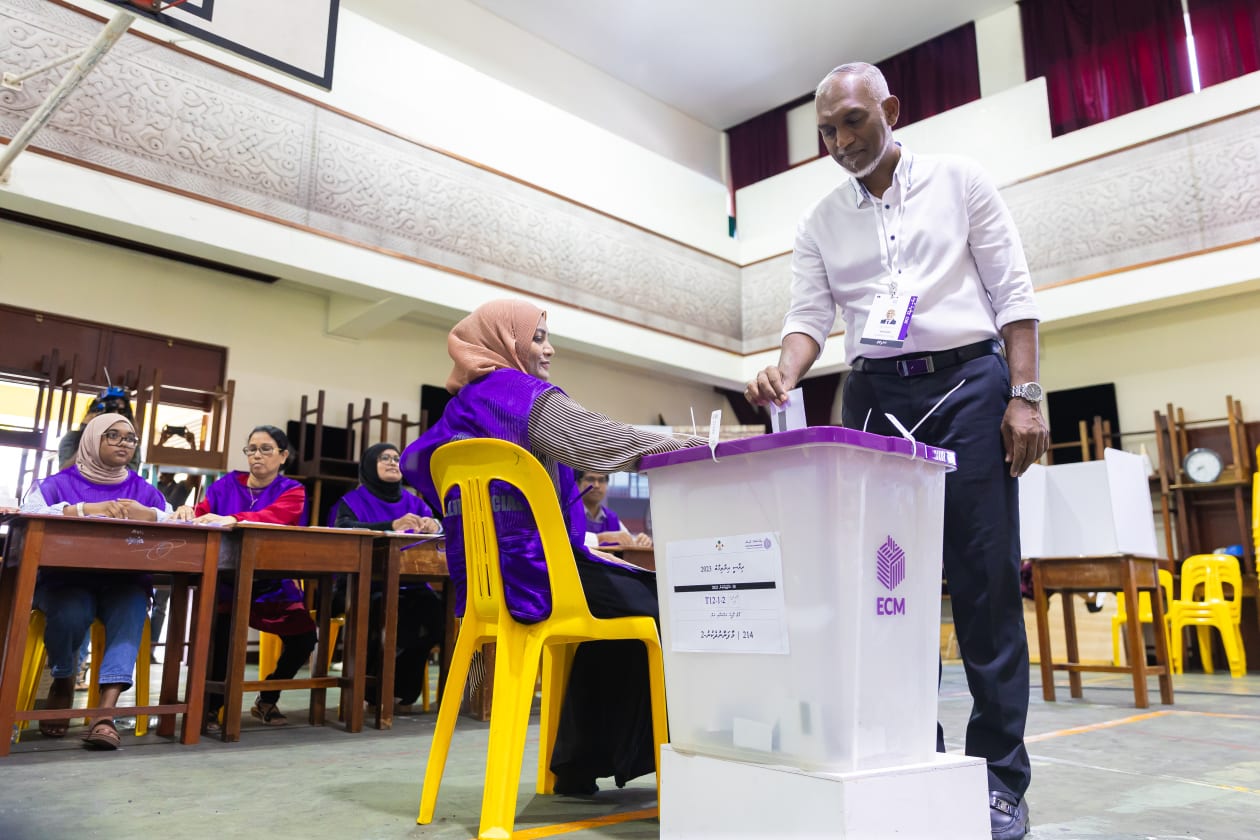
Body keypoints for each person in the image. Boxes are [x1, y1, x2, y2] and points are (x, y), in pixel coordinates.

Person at [744, 63, 1047, 840]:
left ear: (891, 110)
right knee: (887, 593)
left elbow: (1013, 296)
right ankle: (914, 756)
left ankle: (1000, 780)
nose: (840, 141)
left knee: (983, 585)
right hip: (876, 397)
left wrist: (1025, 394)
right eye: (827, 131)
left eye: (852, 121)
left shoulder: (960, 181)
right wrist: (785, 369)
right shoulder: (820, 221)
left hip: (970, 388)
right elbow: (808, 316)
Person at [401, 298, 703, 795]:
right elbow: (596, 442)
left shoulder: (459, 410)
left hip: (488, 583)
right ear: (506, 342)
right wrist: (691, 445)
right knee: (670, 603)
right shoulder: (516, 393)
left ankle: (580, 764)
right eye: (538, 337)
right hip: (536, 573)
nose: (550, 348)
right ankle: (684, 764)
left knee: (619, 608)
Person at [20, 413, 170, 750]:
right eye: (112, 435)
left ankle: (105, 712)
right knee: (72, 611)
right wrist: (84, 509)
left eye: (130, 438)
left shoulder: (143, 490)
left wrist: (152, 515)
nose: (123, 443)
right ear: (91, 440)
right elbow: (31, 514)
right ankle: (63, 678)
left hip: (124, 581)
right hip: (65, 580)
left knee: (132, 610)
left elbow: (176, 520)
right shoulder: (56, 485)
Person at [173, 425, 317, 732]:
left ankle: (267, 698)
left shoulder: (292, 490)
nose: (257, 455)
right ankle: (211, 708)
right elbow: (202, 513)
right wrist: (187, 510)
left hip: (272, 584)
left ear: (283, 456)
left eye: (266, 449)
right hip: (228, 582)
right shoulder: (226, 485)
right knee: (222, 633)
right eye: (251, 449)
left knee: (305, 637)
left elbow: (279, 517)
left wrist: (234, 519)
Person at [328, 441, 445, 712]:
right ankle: (372, 691)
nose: (393, 462)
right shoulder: (352, 501)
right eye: (385, 458)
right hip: (364, 585)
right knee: (387, 612)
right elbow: (344, 530)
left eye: (396, 458)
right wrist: (391, 525)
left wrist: (435, 525)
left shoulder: (415, 502)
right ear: (370, 465)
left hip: (412, 584)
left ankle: (402, 691)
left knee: (435, 616)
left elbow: (438, 533)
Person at [58, 386, 141, 472]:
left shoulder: (130, 443)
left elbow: (130, 475)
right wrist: (90, 437)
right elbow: (64, 472)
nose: (116, 415)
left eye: (121, 411)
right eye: (110, 410)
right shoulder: (73, 437)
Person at [575, 469, 651, 548]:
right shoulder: (570, 514)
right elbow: (569, 538)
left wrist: (641, 541)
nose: (596, 485)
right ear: (578, 484)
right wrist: (600, 538)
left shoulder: (611, 517)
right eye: (590, 479)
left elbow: (628, 541)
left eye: (601, 480)